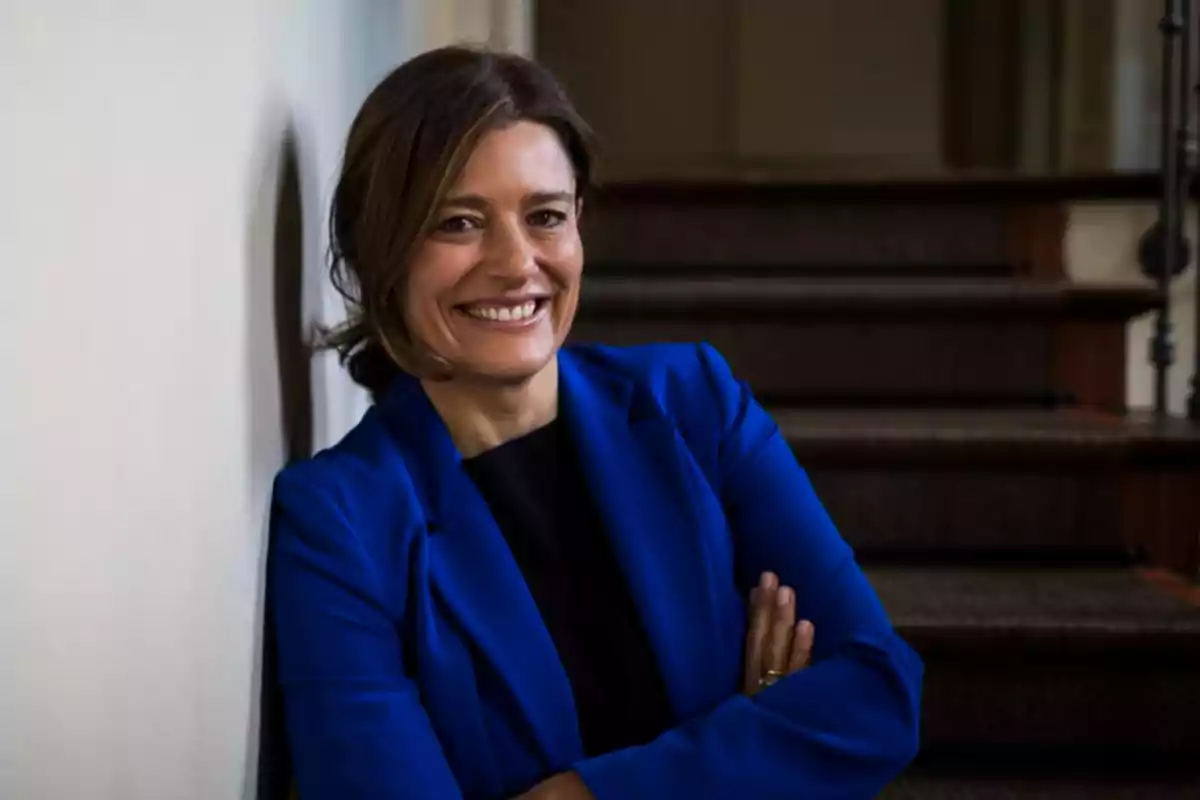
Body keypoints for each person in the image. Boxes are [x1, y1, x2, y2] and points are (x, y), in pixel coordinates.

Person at [267, 46, 923, 800]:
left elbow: (878, 694)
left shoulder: (695, 403)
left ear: (578, 223)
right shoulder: (338, 521)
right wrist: (751, 738)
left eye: (544, 215)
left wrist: (574, 794)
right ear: (382, 250)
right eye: (458, 222)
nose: (517, 263)